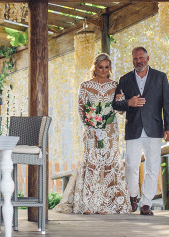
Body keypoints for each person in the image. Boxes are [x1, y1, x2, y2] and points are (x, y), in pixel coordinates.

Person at [55, 53, 130, 215]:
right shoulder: (85, 85)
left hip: (110, 131)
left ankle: (105, 204)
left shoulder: (116, 85)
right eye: (100, 67)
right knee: (92, 163)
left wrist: (120, 100)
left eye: (106, 67)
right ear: (95, 67)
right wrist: (91, 127)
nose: (103, 70)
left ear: (110, 68)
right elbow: (81, 109)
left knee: (109, 164)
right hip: (91, 131)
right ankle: (88, 204)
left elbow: (120, 110)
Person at [113, 46, 169, 216]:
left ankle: (146, 203)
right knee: (131, 165)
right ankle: (133, 196)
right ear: (132, 60)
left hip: (154, 128)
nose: (138, 61)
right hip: (133, 128)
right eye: (135, 58)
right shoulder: (124, 79)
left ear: (147, 58)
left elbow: (168, 103)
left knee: (152, 167)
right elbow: (116, 104)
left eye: (141, 58)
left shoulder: (160, 77)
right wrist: (129, 103)